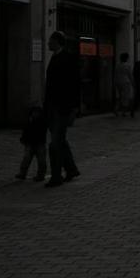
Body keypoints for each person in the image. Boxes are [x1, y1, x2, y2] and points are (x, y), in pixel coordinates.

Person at [43, 31, 81, 188]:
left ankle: (56, 176)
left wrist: (74, 108)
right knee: (60, 140)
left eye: (50, 41)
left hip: (63, 107)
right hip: (52, 106)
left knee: (55, 143)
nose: (48, 43)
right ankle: (71, 169)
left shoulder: (68, 58)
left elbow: (75, 84)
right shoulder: (54, 57)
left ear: (57, 42)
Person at [15, 104, 47, 182]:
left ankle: (40, 175)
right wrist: (23, 139)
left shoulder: (42, 122)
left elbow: (42, 132)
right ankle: (22, 173)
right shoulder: (29, 122)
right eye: (34, 112)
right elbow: (25, 132)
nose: (35, 114)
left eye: (37, 113)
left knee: (41, 160)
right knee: (26, 159)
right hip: (30, 143)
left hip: (39, 143)